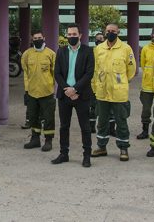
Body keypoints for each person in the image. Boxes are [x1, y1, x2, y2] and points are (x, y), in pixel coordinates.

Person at [92, 23, 136, 162]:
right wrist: (95, 87)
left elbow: (131, 70)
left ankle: (123, 148)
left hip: (119, 93)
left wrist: (121, 83)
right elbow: (95, 70)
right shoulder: (98, 49)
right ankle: (101, 147)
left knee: (121, 121)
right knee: (102, 121)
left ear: (118, 32)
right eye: (108, 31)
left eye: (113, 31)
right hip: (102, 92)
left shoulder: (126, 48)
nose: (110, 33)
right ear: (105, 32)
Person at [52, 23, 95, 167]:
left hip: (81, 96)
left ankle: (86, 156)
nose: (71, 37)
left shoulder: (88, 51)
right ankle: (64, 154)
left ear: (80, 35)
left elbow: (89, 73)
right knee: (64, 126)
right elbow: (56, 73)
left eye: (74, 34)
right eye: (69, 34)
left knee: (85, 127)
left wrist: (75, 89)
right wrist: (67, 89)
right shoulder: (61, 51)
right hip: (64, 96)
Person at [21, 30, 56, 152]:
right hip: (32, 92)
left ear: (44, 38)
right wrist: (26, 90)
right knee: (33, 117)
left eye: (39, 37)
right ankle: (35, 139)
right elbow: (26, 73)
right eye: (35, 38)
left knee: (48, 118)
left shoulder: (50, 54)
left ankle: (48, 140)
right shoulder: (27, 54)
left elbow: (55, 73)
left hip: (47, 92)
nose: (37, 40)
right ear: (32, 40)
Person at [137, 26, 154, 140]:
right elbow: (143, 64)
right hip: (147, 85)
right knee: (146, 109)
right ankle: (145, 131)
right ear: (151, 35)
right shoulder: (145, 49)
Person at [90, 33, 105, 134]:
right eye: (97, 39)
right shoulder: (91, 52)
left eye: (101, 39)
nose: (99, 40)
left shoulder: (107, 51)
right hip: (93, 84)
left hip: (105, 84)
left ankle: (109, 128)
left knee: (107, 108)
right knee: (93, 107)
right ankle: (91, 127)